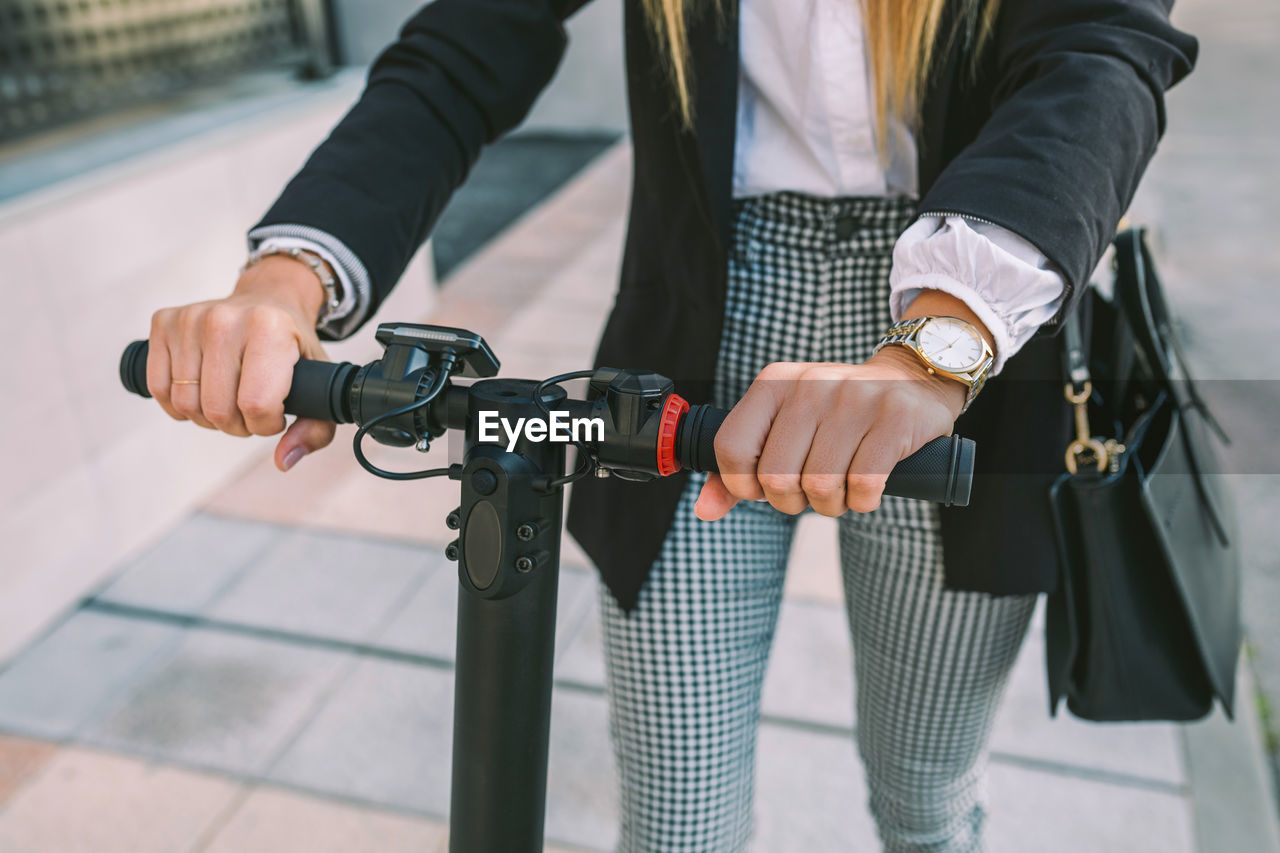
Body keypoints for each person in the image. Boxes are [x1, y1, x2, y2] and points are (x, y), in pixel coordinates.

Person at [143, 0, 1196, 849]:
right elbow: (463, 47)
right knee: (676, 823)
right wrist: (283, 283)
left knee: (925, 800)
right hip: (707, 316)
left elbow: (1097, 51)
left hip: (958, 317)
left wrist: (943, 341)